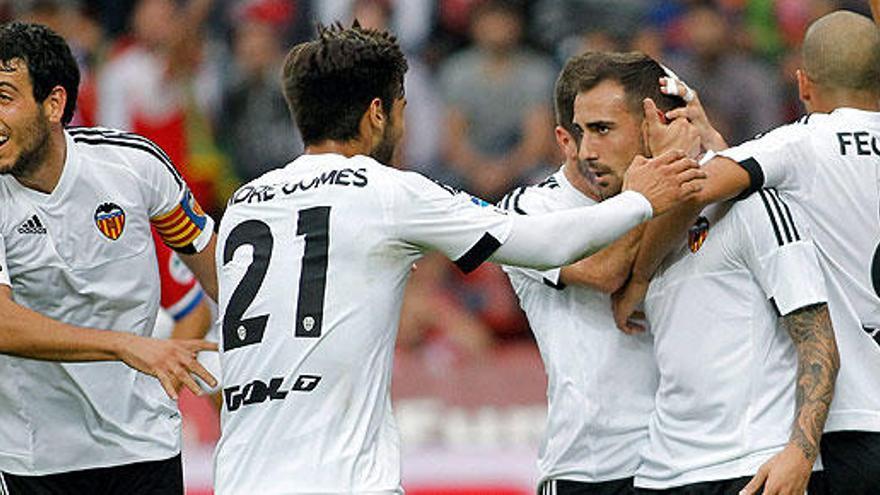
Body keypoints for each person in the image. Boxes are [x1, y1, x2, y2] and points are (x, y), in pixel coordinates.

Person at [213, 23, 705, 494]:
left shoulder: (244, 203)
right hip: (345, 479)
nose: (405, 128)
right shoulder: (386, 191)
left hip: (239, 476)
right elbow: (545, 244)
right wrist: (642, 199)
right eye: (403, 111)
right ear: (377, 113)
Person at [616, 10, 880, 494]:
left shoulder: (802, 143)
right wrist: (718, 141)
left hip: (851, 423)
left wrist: (637, 277)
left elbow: (695, 187)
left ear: (803, 84)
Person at [0, 21, 219, 494]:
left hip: (145, 448)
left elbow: (220, 277)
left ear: (54, 103)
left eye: (4, 96)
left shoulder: (134, 166)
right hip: (37, 462)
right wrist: (123, 344)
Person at [500, 52, 671, 494]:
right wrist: (648, 199)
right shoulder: (528, 210)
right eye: (586, 132)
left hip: (680, 460)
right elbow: (603, 273)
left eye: (606, 129)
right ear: (564, 138)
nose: (593, 149)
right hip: (589, 471)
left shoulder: (679, 197)